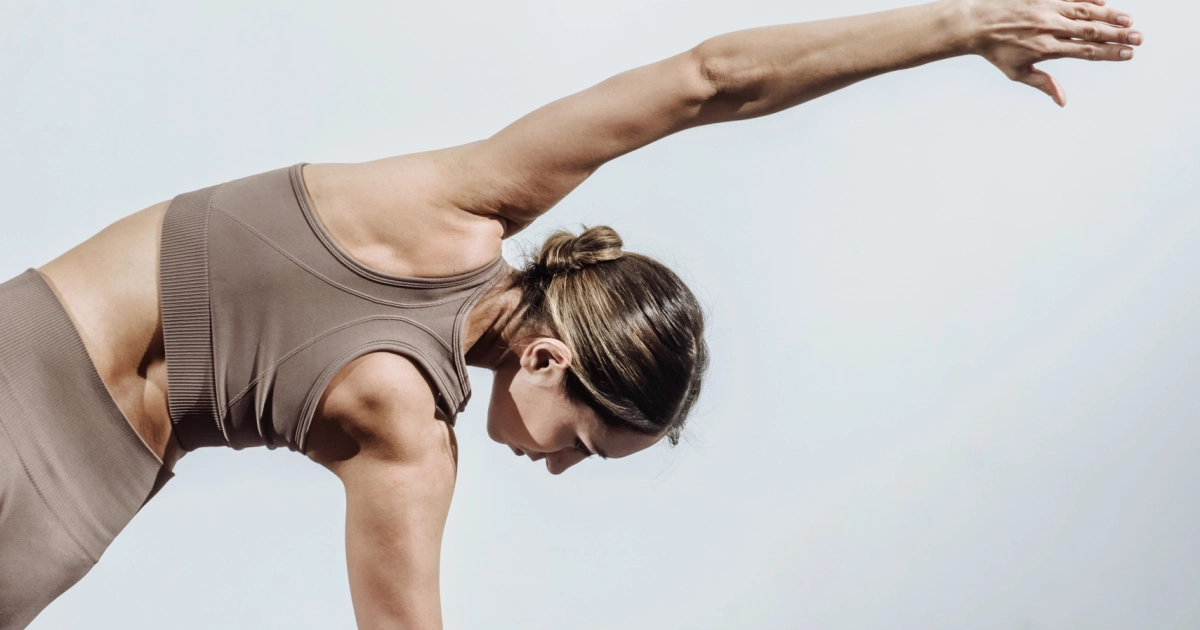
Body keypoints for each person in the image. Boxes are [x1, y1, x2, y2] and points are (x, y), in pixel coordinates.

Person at [0, 0, 1141, 627]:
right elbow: (712, 79)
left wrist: (960, 27)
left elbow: (708, 77)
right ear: (549, 358)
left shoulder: (442, 246)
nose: (557, 469)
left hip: (62, 477)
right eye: (585, 444)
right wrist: (960, 24)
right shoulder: (416, 422)